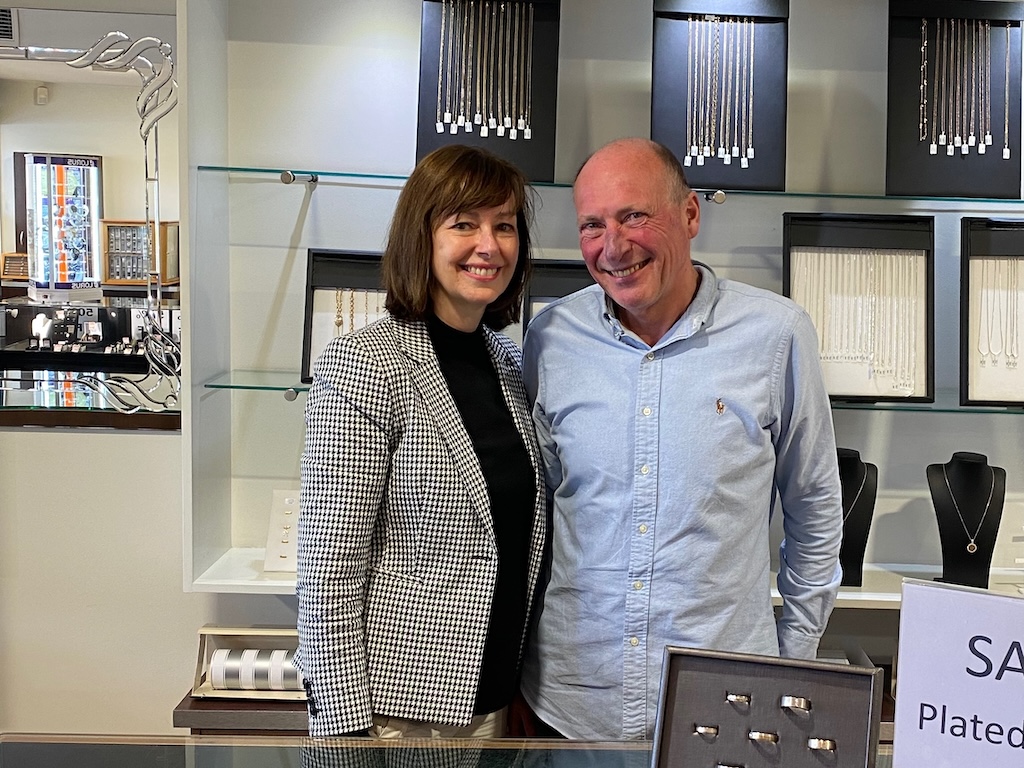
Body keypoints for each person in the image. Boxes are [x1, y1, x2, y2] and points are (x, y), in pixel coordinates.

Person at [517, 138, 843, 740]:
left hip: (724, 703)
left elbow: (815, 507)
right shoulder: (550, 336)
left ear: (690, 214)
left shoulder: (777, 335)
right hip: (572, 707)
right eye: (592, 224)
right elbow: (540, 505)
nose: (613, 247)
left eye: (634, 215)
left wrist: (792, 658)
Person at [296, 144, 547, 739]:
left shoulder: (507, 365)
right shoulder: (366, 363)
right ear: (422, 236)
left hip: (494, 703)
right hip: (399, 715)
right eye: (464, 224)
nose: (489, 245)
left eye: (504, 226)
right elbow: (330, 567)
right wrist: (345, 730)